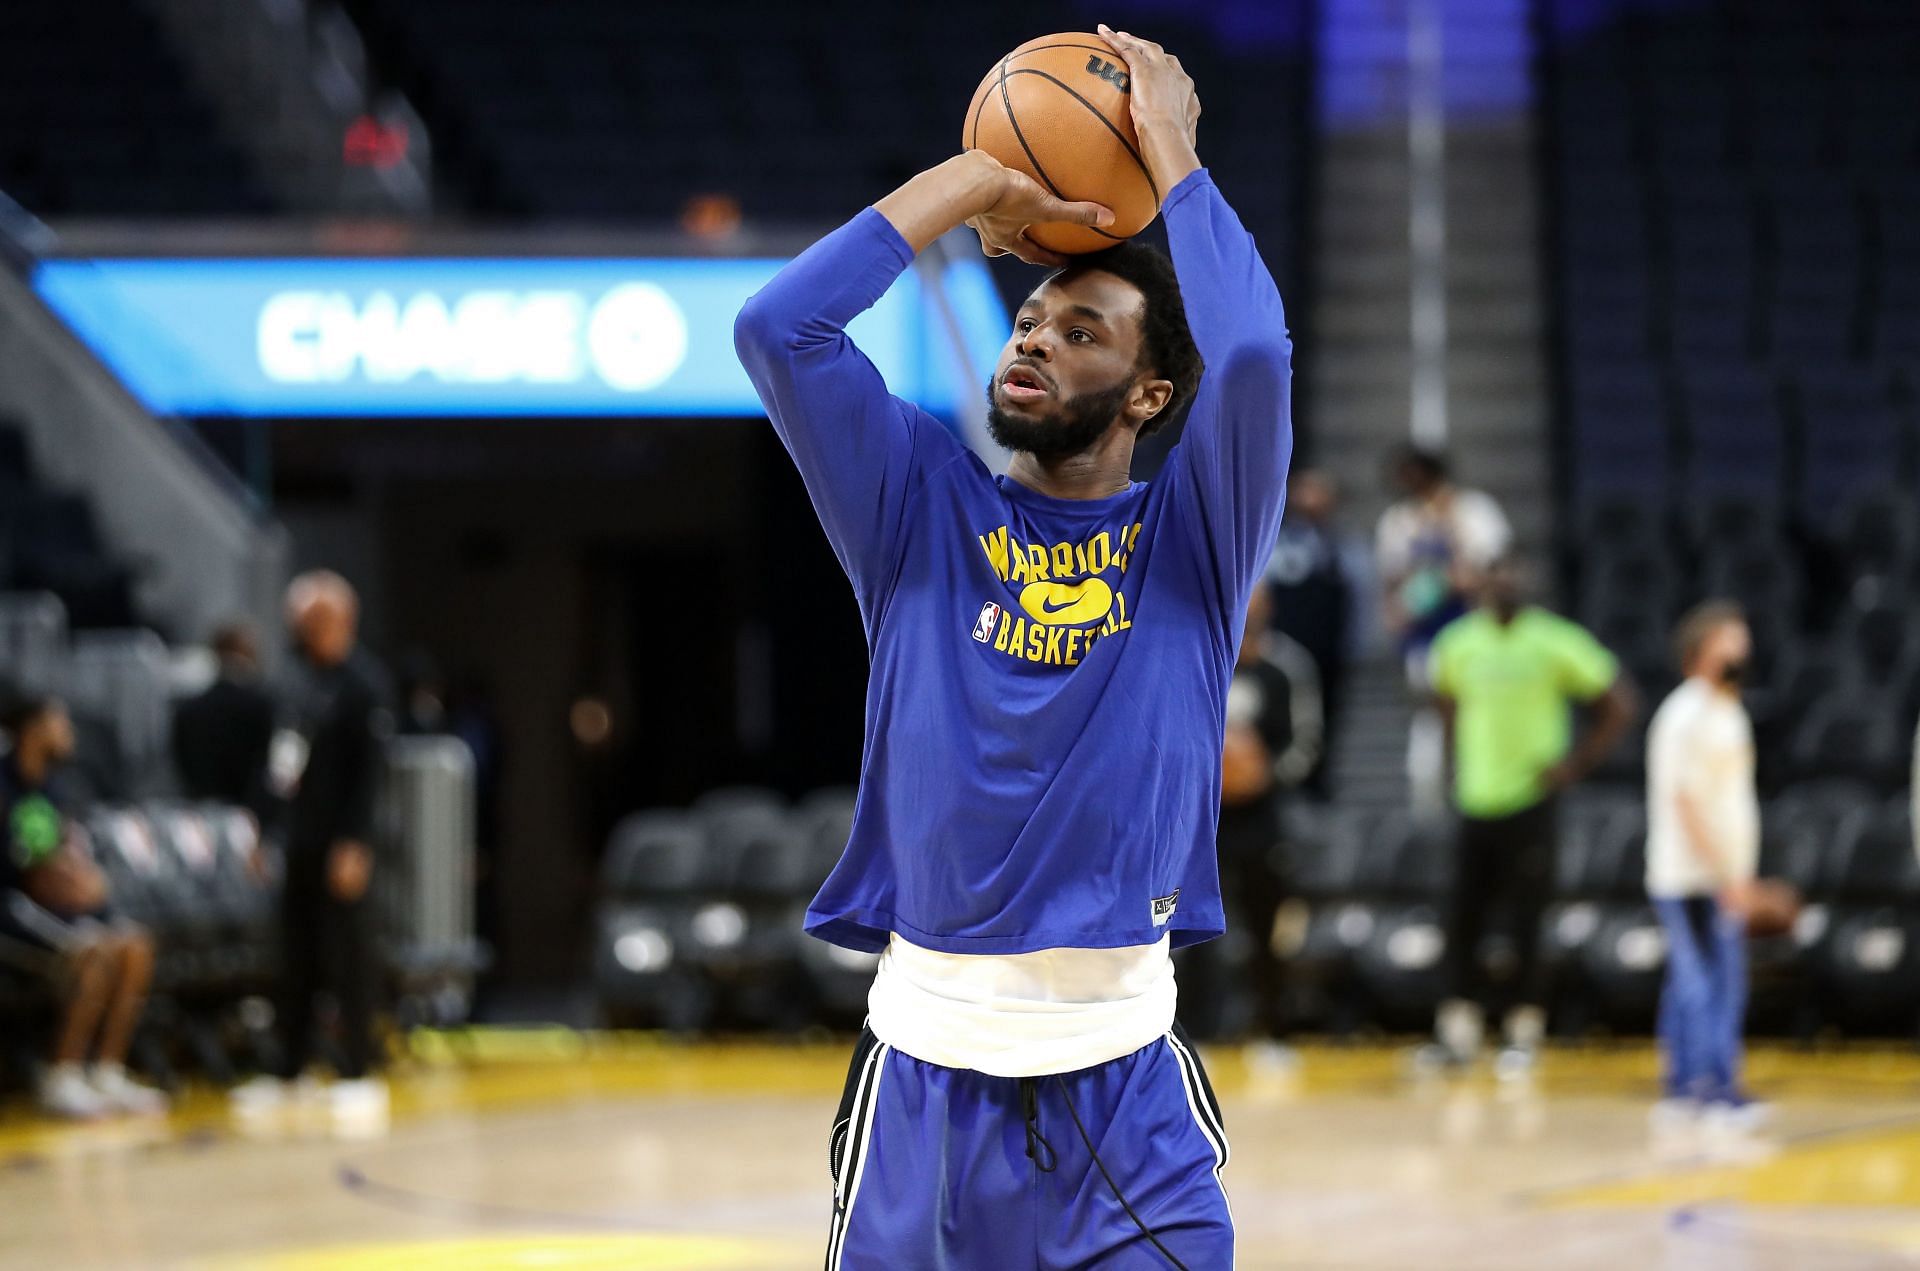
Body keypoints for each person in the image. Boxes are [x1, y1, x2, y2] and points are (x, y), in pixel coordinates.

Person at [735, 26, 1287, 1267]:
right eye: (1031, 318)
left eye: (1083, 329)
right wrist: (972, 186)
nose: (1034, 338)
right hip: (923, 1097)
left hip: (1129, 1108)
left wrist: (1172, 151)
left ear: (1150, 396)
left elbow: (1249, 353)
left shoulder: (1192, 541)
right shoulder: (921, 507)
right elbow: (781, 330)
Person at [1426, 555, 1636, 1074]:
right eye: (1494, 573)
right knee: (1463, 918)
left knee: (1526, 920)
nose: (1504, 582)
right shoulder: (1458, 642)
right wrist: (1453, 763)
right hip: (1475, 800)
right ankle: (1459, 1032)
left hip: (1531, 801)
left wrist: (1574, 764)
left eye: (1512, 573)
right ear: (1481, 583)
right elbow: (1443, 700)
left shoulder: (1554, 640)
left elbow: (1620, 702)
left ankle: (1522, 1031)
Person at [235, 571, 389, 1119]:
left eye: (319, 620)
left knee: (348, 955)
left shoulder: (364, 685)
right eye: (303, 622)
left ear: (343, 620)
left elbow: (371, 773)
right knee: (294, 954)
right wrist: (260, 825)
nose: (310, 630)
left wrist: (356, 841)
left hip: (340, 840)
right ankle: (289, 1066)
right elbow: (278, 762)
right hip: (297, 837)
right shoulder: (293, 681)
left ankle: (357, 1065)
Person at [0, 690, 166, 1118]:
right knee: (93, 950)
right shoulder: (5, 788)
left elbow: (62, 851)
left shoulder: (55, 788)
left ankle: (106, 1071)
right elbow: (27, 868)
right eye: (60, 722)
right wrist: (56, 878)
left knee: (136, 946)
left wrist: (84, 880)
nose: (68, 732)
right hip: (16, 904)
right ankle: (62, 1074)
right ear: (33, 730)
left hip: (58, 904)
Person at [1646, 601, 1763, 1129]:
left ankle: (1687, 1083)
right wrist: (1722, 873)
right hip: (1689, 876)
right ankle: (1707, 1087)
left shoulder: (1727, 708)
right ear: (1700, 649)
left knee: (1703, 980)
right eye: (1729, 640)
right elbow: (1685, 800)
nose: (1741, 650)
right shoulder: (1684, 713)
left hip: (1724, 872)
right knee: (1705, 983)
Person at [1206, 585, 1320, 1044]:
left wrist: (1262, 773)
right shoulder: (1205, 653)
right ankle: (1199, 1032)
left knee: (1266, 928)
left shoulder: (1286, 667)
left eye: (1259, 598)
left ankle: (1273, 1032)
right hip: (1205, 820)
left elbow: (1306, 743)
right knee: (1194, 934)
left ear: (1269, 605)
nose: (1250, 606)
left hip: (1263, 819)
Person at [1376, 446, 1512, 815]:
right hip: (1425, 636)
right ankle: (1429, 800)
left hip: (1472, 631)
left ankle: (1478, 787)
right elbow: (1395, 580)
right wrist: (1406, 602)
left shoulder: (1474, 510)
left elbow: (1488, 568)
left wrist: (1451, 559)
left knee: (1474, 713)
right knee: (1430, 718)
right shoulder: (1399, 520)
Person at [1263, 467, 1354, 797]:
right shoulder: (1277, 539)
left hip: (1328, 649)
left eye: (1320, 492)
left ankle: (1318, 783)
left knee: (1325, 715)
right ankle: (1286, 782)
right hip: (1287, 644)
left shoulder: (1341, 545)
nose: (1312, 499)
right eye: (1305, 491)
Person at [172, 621, 277, 824]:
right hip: (252, 819)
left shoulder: (188, 709)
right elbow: (271, 770)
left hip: (200, 819)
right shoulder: (263, 706)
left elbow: (181, 761)